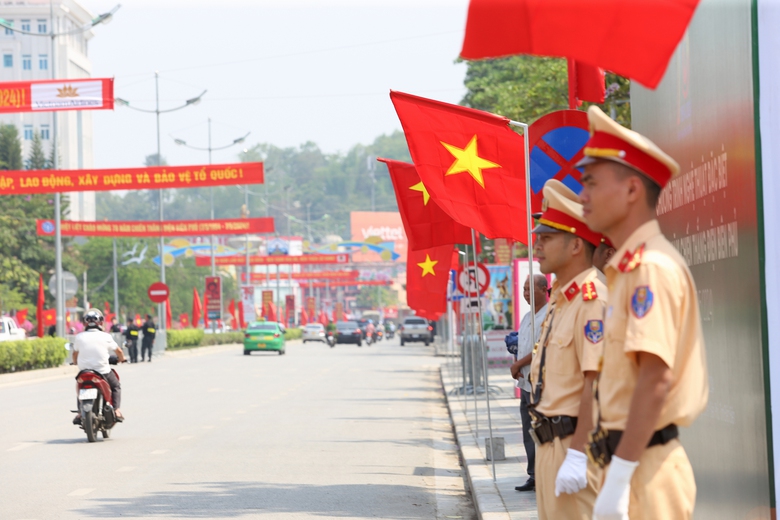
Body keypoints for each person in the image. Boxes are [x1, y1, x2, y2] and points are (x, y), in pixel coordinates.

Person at [578, 106, 708, 520]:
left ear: (632, 191)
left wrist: (620, 478)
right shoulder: (627, 269)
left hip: (642, 471)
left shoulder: (649, 268)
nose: (582, 196)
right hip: (628, 464)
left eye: (591, 183)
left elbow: (655, 377)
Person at [527, 180, 607, 519]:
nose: (537, 245)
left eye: (546, 238)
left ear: (576, 245)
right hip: (549, 445)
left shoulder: (592, 300)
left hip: (576, 446)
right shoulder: (563, 299)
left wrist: (577, 454)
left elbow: (597, 382)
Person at [508, 274, 548, 492]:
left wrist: (518, 364)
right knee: (527, 430)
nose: (525, 294)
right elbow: (524, 345)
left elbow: (540, 348)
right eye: (523, 290)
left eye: (529, 290)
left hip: (540, 383)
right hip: (525, 383)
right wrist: (517, 362)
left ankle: (544, 473)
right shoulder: (526, 316)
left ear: (544, 289)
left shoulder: (548, 316)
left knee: (540, 429)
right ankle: (533, 474)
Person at [72, 309, 126, 424]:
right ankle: (116, 410)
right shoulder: (106, 336)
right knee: (116, 386)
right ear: (101, 322)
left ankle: (80, 413)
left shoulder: (79, 337)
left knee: (80, 388)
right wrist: (122, 359)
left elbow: (74, 354)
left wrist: (75, 362)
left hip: (84, 372)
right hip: (103, 372)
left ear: (84, 323)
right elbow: (119, 351)